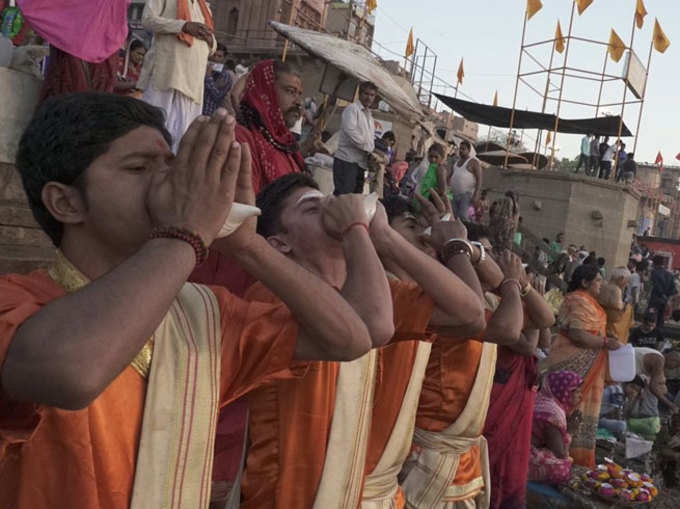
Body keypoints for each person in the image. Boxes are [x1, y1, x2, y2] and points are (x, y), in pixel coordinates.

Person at [0, 94, 380, 509]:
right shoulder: (16, 303)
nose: (170, 182)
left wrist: (247, 245)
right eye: (139, 168)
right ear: (66, 203)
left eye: (170, 164)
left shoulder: (205, 314)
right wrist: (185, 233)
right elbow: (71, 375)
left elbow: (350, 338)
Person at [239, 174, 486, 508]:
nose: (330, 206)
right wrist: (356, 229)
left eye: (329, 198)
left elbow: (469, 314)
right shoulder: (270, 295)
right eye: (313, 207)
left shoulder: (370, 289)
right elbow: (370, 325)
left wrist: (383, 235)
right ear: (281, 243)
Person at [540, 264, 623, 468]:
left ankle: (574, 457)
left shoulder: (590, 303)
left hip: (589, 367)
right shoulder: (579, 300)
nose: (600, 285)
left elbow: (589, 332)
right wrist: (604, 343)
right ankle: (555, 457)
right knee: (565, 407)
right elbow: (577, 334)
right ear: (585, 282)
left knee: (578, 412)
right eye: (597, 280)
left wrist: (604, 337)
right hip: (572, 365)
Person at [139, 0, 216, 152]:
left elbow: (212, 46)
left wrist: (211, 41)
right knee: (156, 128)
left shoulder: (204, 7)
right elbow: (147, 20)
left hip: (193, 83)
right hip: (168, 74)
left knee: (185, 138)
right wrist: (183, 26)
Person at [234, 59, 305, 194]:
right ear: (265, 91)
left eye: (299, 94)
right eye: (290, 91)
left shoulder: (284, 142)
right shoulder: (241, 140)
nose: (298, 102)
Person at [529, 370, 583, 484]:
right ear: (563, 391)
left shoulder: (541, 399)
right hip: (523, 453)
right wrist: (571, 431)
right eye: (576, 392)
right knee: (563, 468)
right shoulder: (553, 413)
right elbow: (560, 453)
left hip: (525, 447)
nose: (580, 396)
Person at [333, 81, 378, 195]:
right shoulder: (352, 109)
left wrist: (373, 152)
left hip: (360, 163)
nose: (369, 98)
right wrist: (369, 149)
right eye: (366, 94)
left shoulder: (369, 116)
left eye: (372, 95)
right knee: (344, 198)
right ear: (360, 94)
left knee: (356, 198)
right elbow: (351, 132)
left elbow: (370, 139)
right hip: (347, 161)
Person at [635, 346, 678, 414]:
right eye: (676, 365)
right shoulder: (659, 360)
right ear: (672, 360)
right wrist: (671, 405)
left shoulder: (658, 356)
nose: (673, 368)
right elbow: (653, 387)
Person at [599, 267, 634, 344]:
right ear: (621, 278)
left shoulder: (603, 284)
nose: (626, 284)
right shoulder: (616, 290)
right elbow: (618, 306)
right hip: (610, 323)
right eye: (626, 281)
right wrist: (625, 305)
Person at [450, 140, 482, 221]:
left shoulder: (473, 162)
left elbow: (479, 179)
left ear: (468, 150)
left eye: (463, 149)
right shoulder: (456, 162)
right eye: (460, 149)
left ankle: (467, 233)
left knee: (463, 217)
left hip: (466, 195)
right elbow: (449, 176)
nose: (460, 151)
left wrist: (476, 194)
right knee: (454, 216)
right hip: (454, 194)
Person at [625, 375, 661, 440]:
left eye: (635, 388)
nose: (632, 390)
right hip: (648, 424)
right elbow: (630, 414)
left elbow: (630, 416)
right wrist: (633, 400)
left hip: (650, 422)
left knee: (626, 423)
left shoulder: (650, 392)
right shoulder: (632, 398)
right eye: (632, 387)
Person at [202, 43, 233, 116]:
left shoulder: (225, 75)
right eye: (214, 55)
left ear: (223, 59)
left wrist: (208, 77)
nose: (215, 58)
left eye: (219, 56)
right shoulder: (201, 70)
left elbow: (217, 96)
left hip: (211, 114)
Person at [649, 254, 677, 328]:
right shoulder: (670, 274)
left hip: (654, 300)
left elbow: (655, 286)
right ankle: (658, 334)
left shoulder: (654, 272)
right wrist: (667, 298)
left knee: (650, 317)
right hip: (664, 301)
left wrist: (662, 295)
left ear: (654, 263)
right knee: (660, 319)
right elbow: (673, 290)